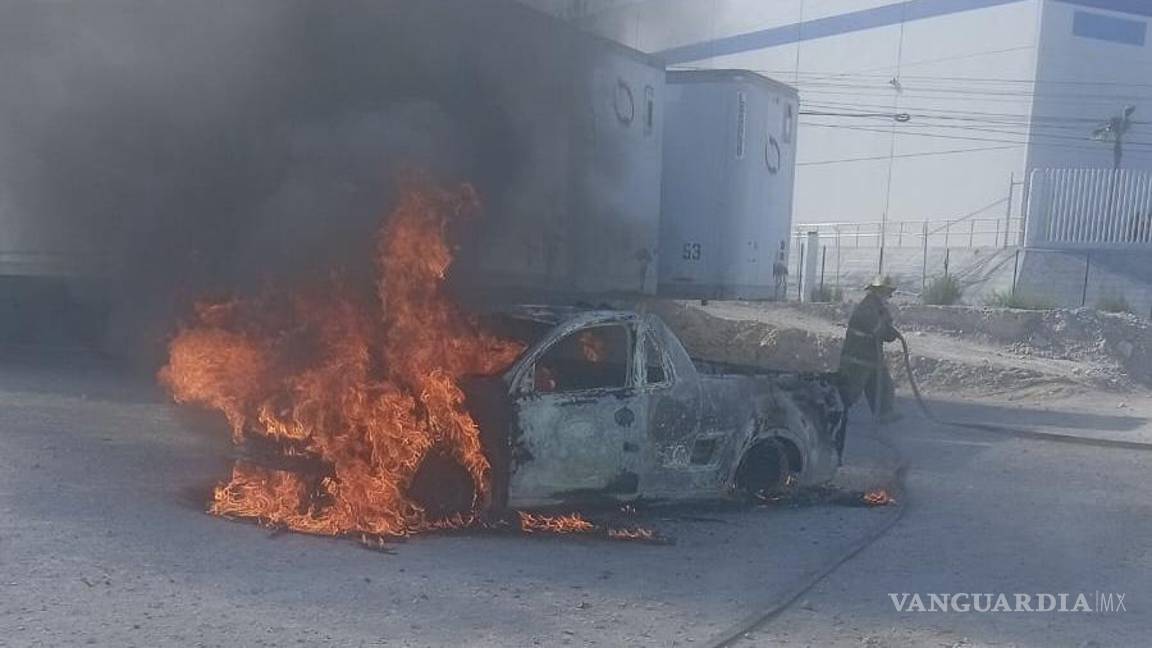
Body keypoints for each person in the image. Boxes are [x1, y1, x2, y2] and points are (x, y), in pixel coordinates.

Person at [839, 275, 901, 422]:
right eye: (886, 292)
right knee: (849, 391)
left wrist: (890, 330)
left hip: (871, 358)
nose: (888, 296)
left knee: (884, 385)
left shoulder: (879, 307)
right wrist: (888, 331)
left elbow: (887, 329)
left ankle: (884, 413)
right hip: (857, 358)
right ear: (877, 290)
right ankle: (832, 410)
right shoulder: (867, 306)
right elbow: (877, 328)